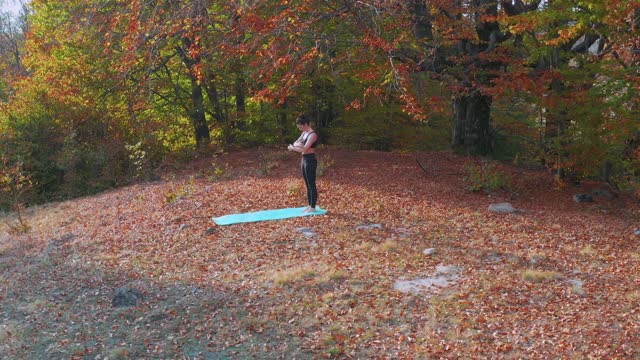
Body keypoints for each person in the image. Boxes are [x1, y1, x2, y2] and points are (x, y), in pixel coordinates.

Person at [287, 114, 319, 213]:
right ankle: (309, 205)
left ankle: (313, 207)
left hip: (310, 160)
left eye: (300, 126)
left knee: (311, 183)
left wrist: (293, 148)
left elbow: (304, 148)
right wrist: (297, 145)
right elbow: (296, 142)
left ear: (305, 124)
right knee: (307, 184)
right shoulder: (304, 133)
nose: (299, 128)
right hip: (304, 159)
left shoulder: (312, 134)